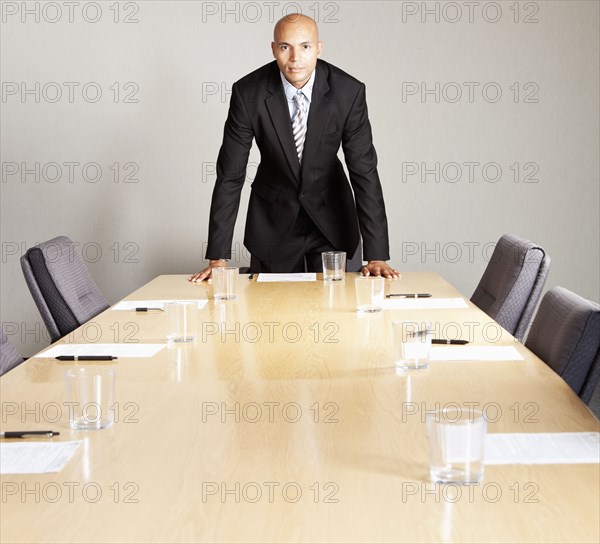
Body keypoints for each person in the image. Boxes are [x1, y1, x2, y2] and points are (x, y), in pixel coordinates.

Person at [189, 14, 399, 282]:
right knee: (271, 316)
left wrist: (377, 255)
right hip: (273, 223)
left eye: (305, 46)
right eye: (285, 46)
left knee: (336, 315)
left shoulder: (348, 92)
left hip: (332, 223)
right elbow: (230, 175)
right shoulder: (248, 93)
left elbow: (364, 172)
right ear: (274, 48)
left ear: (319, 48)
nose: (295, 58)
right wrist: (217, 258)